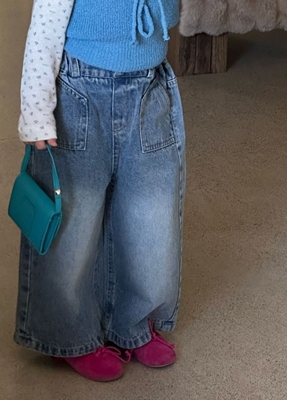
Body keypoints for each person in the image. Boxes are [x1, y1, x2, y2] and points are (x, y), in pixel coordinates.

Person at [14, 0, 186, 382]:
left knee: (150, 217)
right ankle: (70, 333)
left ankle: (135, 322)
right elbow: (44, 27)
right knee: (74, 222)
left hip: (148, 86)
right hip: (81, 91)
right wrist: (36, 111)